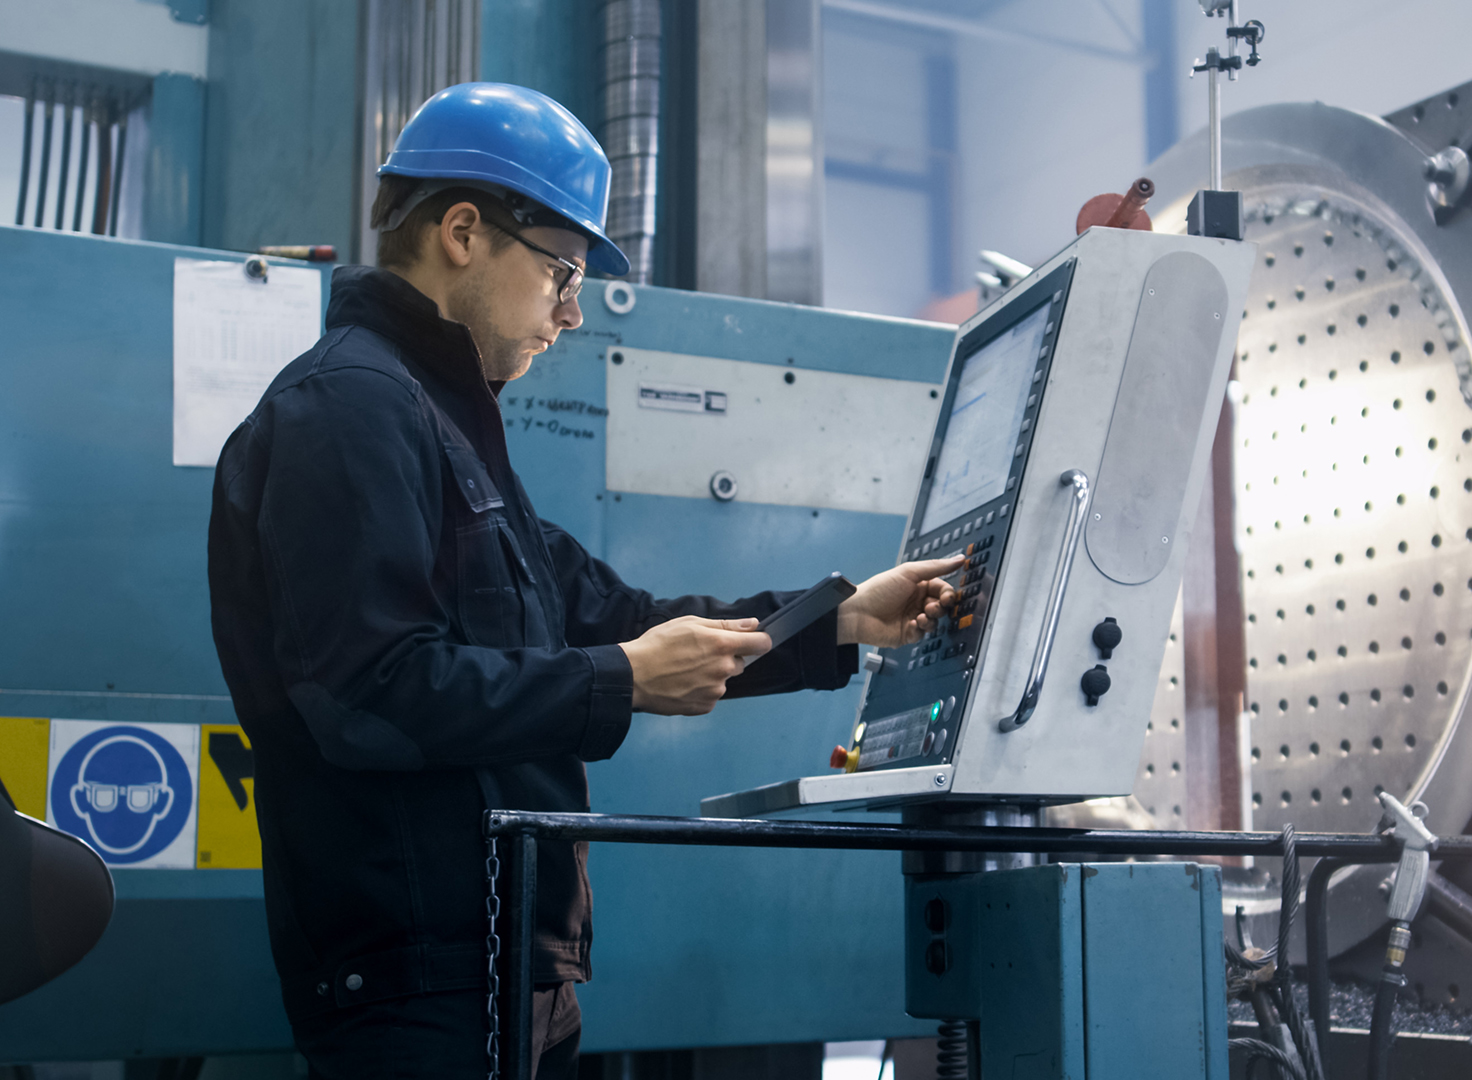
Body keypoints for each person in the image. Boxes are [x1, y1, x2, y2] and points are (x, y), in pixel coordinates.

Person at [207, 82, 960, 1079]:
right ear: (463, 232)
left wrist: (842, 620)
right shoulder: (347, 410)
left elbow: (622, 619)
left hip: (506, 971)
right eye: (559, 270)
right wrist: (619, 679)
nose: (570, 313)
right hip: (419, 986)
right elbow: (369, 696)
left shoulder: (448, 433)